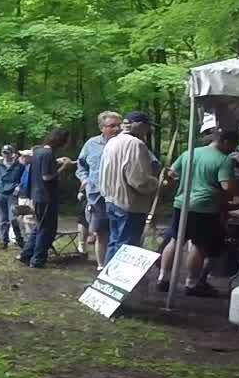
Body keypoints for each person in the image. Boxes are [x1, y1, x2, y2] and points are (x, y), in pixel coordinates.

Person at [155, 127, 239, 296]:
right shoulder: (224, 160)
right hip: (205, 207)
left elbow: (171, 175)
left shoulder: (189, 153)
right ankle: (192, 283)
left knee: (175, 240)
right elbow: (227, 187)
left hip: (182, 203)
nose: (233, 149)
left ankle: (162, 278)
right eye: (233, 145)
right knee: (199, 246)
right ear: (225, 141)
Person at [99, 111, 161, 263]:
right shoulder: (135, 144)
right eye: (147, 126)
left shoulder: (112, 142)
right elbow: (138, 180)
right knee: (125, 246)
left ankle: (107, 280)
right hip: (129, 204)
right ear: (139, 125)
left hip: (111, 200)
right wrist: (156, 183)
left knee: (114, 243)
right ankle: (117, 282)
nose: (148, 131)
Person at [76, 111, 124, 268]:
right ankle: (102, 266)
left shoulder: (128, 143)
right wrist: (85, 180)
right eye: (112, 126)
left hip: (121, 196)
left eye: (119, 125)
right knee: (102, 233)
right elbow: (81, 165)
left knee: (119, 233)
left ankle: (117, 267)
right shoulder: (91, 144)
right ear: (102, 128)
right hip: (98, 197)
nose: (117, 129)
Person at [20, 129, 73, 268]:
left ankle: (26, 254)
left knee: (40, 226)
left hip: (36, 195)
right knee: (47, 229)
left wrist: (57, 161)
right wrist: (63, 167)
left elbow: (41, 166)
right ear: (60, 141)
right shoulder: (48, 154)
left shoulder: (38, 151)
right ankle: (37, 260)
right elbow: (47, 176)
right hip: (46, 196)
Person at [0, 145, 25, 248]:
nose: (6, 155)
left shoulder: (19, 166)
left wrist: (18, 187)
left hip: (13, 194)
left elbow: (23, 179)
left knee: (13, 218)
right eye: (4, 153)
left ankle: (19, 239)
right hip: (1, 194)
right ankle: (4, 241)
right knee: (3, 219)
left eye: (8, 153)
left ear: (12, 154)